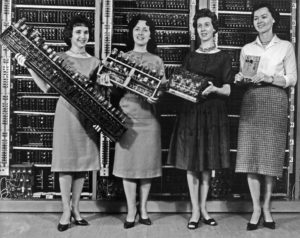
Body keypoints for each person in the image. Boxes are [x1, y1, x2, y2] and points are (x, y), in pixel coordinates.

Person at [15, 15, 100, 232]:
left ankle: (76, 209)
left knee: (82, 165)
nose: (83, 36)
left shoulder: (95, 62)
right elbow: (45, 88)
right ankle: (65, 211)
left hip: (86, 116)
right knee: (66, 163)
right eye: (78, 32)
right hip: (66, 114)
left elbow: (99, 95)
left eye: (86, 32)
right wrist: (29, 66)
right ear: (70, 35)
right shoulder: (59, 57)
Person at [167, 8, 233, 229]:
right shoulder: (190, 56)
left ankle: (204, 208)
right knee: (191, 163)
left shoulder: (224, 56)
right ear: (195, 30)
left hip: (213, 114)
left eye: (206, 25)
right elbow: (180, 86)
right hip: (191, 112)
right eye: (199, 26)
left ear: (214, 28)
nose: (203, 29)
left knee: (207, 163)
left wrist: (214, 89)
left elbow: (228, 89)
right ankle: (195, 210)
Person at [234, 2, 297, 231]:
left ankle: (267, 208)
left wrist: (269, 78)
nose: (259, 21)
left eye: (263, 17)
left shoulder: (285, 46)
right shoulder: (247, 48)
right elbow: (245, 76)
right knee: (250, 158)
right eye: (255, 18)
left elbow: (292, 79)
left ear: (273, 19)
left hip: (274, 101)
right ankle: (256, 209)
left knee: (269, 160)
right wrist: (241, 78)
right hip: (252, 101)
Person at [100, 14, 165, 229]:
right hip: (126, 117)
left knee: (146, 167)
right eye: (137, 29)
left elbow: (162, 92)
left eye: (145, 30)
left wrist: (157, 96)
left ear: (150, 34)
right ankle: (131, 210)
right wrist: (106, 82)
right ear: (131, 33)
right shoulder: (122, 58)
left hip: (149, 118)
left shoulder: (157, 61)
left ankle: (144, 209)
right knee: (128, 166)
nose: (141, 33)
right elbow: (112, 89)